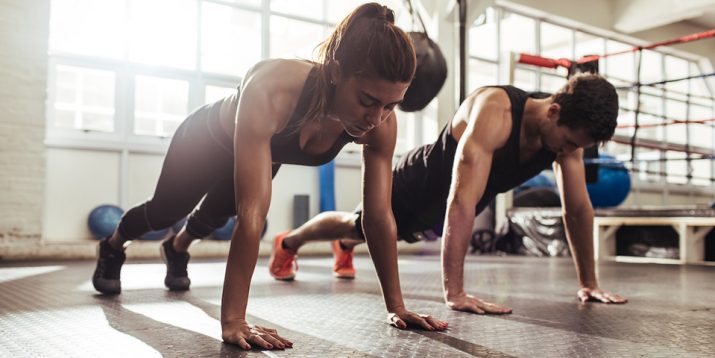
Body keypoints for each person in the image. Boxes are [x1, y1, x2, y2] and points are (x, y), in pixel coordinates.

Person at [91, 3, 447, 350]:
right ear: (336, 72)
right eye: (367, 100)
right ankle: (112, 245)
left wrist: (396, 306)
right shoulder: (274, 86)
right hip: (206, 140)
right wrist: (233, 320)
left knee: (217, 214)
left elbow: (379, 217)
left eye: (390, 106)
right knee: (167, 211)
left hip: (263, 149)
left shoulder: (380, 124)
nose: (376, 118)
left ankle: (177, 247)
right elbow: (253, 216)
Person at [269, 73, 628, 315]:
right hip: (420, 183)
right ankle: (289, 242)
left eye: (575, 146)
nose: (568, 152)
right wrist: (454, 293)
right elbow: (461, 200)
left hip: (450, 208)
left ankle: (344, 247)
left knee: (376, 235)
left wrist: (589, 284)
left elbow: (578, 211)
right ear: (554, 112)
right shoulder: (496, 111)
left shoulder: (568, 140)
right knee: (358, 226)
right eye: (568, 142)